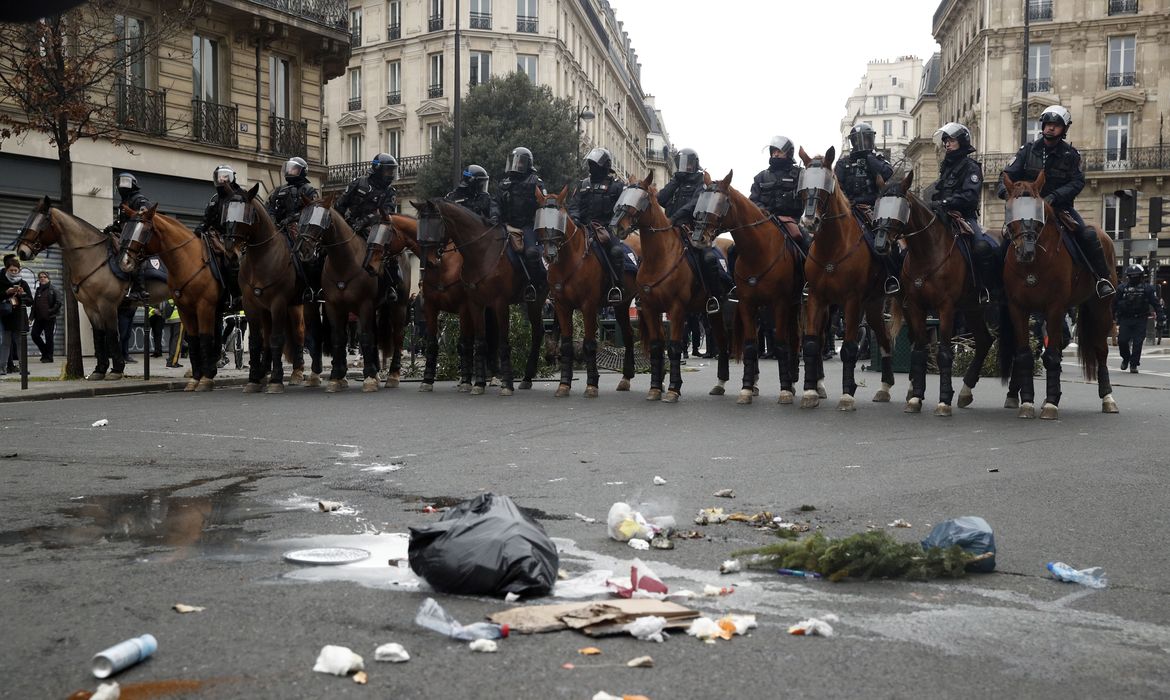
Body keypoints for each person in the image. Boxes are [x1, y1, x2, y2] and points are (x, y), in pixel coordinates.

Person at [998, 105, 1114, 297]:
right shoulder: (1027, 151)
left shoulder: (1070, 155)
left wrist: (1054, 197)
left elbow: (1078, 181)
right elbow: (1006, 174)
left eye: (1056, 125)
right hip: (1027, 207)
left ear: (1064, 129)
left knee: (1087, 236)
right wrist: (1006, 193)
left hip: (1060, 208)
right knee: (1005, 239)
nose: (1050, 128)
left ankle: (1102, 279)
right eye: (1048, 124)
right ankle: (997, 285)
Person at [929, 122, 1001, 305]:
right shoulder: (946, 167)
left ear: (961, 141)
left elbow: (970, 195)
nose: (947, 144)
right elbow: (939, 190)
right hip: (941, 217)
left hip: (964, 217)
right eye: (945, 141)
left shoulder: (971, 167)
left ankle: (984, 289)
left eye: (951, 140)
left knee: (981, 247)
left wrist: (946, 202)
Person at [658, 148, 727, 312]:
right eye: (681, 164)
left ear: (694, 164)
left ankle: (713, 296)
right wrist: (675, 181)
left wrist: (674, 218)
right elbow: (661, 198)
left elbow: (694, 205)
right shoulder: (676, 181)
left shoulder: (700, 181)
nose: (685, 167)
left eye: (688, 164)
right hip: (670, 229)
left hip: (691, 229)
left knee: (708, 258)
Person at [836, 123, 899, 293]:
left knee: (884, 240)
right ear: (853, 142)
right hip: (848, 209)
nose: (864, 142)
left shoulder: (878, 160)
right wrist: (848, 203)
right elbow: (838, 186)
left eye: (867, 138)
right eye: (860, 139)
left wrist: (870, 158)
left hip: (872, 209)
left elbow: (887, 174)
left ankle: (891, 277)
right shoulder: (843, 163)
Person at [336, 153, 403, 300]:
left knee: (389, 253)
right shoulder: (358, 183)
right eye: (388, 170)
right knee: (326, 247)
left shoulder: (389, 192)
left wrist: (365, 221)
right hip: (350, 223)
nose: (391, 174)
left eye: (392, 171)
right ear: (378, 169)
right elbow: (340, 204)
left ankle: (390, 285)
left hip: (374, 228)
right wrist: (342, 221)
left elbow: (387, 213)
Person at [568, 147, 627, 303]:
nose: (592, 167)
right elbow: (574, 205)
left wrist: (613, 224)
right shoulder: (582, 184)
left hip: (606, 228)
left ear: (605, 166)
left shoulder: (616, 187)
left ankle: (617, 287)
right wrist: (574, 218)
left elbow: (621, 209)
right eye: (591, 164)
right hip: (584, 228)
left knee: (616, 252)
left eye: (596, 164)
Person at [497, 146, 547, 302]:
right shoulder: (504, 182)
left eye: (520, 162)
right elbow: (496, 203)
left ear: (527, 163)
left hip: (527, 226)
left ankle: (533, 285)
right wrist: (494, 216)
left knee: (531, 253)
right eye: (514, 161)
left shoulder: (536, 182)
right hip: (505, 225)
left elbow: (544, 206)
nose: (516, 164)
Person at [108, 172, 152, 301]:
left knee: (132, 256)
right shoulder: (123, 203)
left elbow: (144, 214)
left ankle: (140, 290)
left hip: (138, 235)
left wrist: (137, 213)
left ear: (132, 185)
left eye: (125, 182)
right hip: (126, 234)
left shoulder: (139, 199)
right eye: (119, 183)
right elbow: (122, 222)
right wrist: (114, 227)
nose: (122, 185)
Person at [1114, 264, 1165, 373]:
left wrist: (1160, 317)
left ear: (1141, 276)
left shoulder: (1147, 289)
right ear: (1128, 276)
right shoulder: (1122, 288)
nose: (1134, 278)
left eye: (1136, 276)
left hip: (1140, 319)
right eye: (1132, 276)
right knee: (1122, 341)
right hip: (1125, 319)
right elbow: (1114, 304)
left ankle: (1133, 364)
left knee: (1138, 342)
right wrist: (1111, 317)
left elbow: (1156, 304)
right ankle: (1126, 358)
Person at [266, 156, 319, 238]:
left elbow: (311, 212)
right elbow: (270, 208)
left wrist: (290, 219)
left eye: (293, 169)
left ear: (302, 171)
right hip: (277, 227)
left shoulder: (309, 191)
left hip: (298, 228)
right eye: (289, 169)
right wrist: (272, 220)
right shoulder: (279, 190)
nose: (289, 171)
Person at [1, 259, 34, 373]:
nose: (14, 272)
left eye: (16, 270)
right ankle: (2, 368)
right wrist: (6, 292)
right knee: (5, 343)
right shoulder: (2, 282)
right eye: (11, 270)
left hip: (19, 318)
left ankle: (23, 368)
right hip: (6, 317)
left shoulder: (23, 283)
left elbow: (30, 301)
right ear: (6, 269)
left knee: (20, 343)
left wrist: (22, 294)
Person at [30, 271, 62, 363]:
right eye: (40, 277)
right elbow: (34, 305)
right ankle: (45, 352)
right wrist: (31, 318)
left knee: (49, 338)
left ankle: (49, 357)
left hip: (49, 318)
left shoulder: (54, 289)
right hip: (39, 318)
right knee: (34, 335)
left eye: (44, 277)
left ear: (48, 278)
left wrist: (50, 311)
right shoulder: (38, 290)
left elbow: (58, 303)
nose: (42, 278)